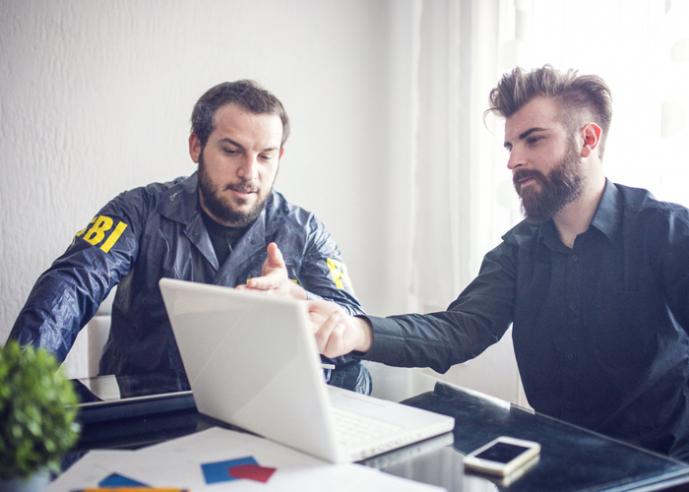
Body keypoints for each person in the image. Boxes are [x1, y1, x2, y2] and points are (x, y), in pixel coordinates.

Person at [306, 65, 689, 459]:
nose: (514, 161)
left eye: (533, 140)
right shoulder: (519, 250)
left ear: (588, 139)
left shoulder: (666, 231)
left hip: (662, 466)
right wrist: (355, 332)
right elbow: (459, 331)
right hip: (555, 459)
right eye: (510, 146)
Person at [9, 80, 370, 394]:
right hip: (141, 415)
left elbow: (352, 331)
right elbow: (71, 286)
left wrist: (298, 301)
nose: (250, 173)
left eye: (265, 156)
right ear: (196, 146)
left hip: (257, 418)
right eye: (231, 151)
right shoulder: (137, 210)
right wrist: (20, 387)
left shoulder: (306, 232)